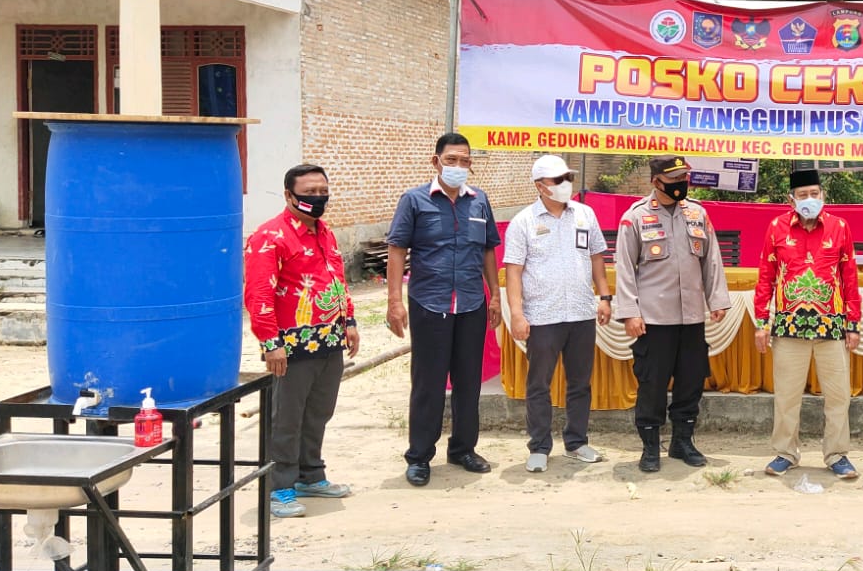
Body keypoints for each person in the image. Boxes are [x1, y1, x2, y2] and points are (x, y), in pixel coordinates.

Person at [243, 164, 358, 519]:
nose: (318, 198)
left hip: (329, 339)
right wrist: (270, 341)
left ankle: (311, 475)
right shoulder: (269, 237)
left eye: (323, 191)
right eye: (309, 192)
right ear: (289, 196)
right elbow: (258, 292)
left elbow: (335, 279)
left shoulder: (325, 232)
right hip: (291, 346)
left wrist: (349, 320)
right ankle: (280, 487)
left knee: (319, 412)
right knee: (286, 418)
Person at [386, 133, 501, 487]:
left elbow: (487, 250)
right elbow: (396, 248)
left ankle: (463, 449)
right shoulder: (415, 200)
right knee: (429, 383)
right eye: (451, 160)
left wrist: (494, 294)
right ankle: (420, 456)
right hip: (429, 302)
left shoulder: (479, 201)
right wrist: (393, 302)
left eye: (464, 161)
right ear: (435, 161)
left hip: (471, 302)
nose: (458, 166)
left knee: (468, 381)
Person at [611, 156, 730, 473]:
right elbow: (625, 269)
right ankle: (650, 446)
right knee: (652, 384)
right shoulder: (635, 218)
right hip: (653, 320)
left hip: (691, 318)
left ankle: (682, 441)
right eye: (674, 178)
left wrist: (716, 299)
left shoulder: (697, 213)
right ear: (656, 181)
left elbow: (711, 260)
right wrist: (629, 313)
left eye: (683, 178)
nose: (681, 184)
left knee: (691, 382)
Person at [503, 154, 611, 472]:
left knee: (580, 382)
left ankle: (576, 442)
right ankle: (539, 446)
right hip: (542, 316)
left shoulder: (585, 214)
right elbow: (513, 272)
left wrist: (604, 297)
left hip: (580, 312)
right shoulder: (523, 222)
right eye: (558, 180)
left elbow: (596, 259)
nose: (566, 185)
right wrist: (517, 314)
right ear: (540, 186)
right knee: (539, 383)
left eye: (569, 178)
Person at [753, 169, 861, 480]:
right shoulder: (776, 228)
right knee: (787, 395)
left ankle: (837, 454)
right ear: (791, 199)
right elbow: (766, 277)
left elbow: (849, 278)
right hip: (789, 327)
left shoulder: (840, 227)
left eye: (815, 193)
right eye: (803, 195)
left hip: (832, 327)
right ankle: (786, 453)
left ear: (823, 196)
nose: (810, 200)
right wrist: (762, 322)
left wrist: (853, 323)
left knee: (838, 395)